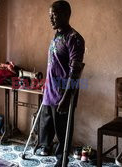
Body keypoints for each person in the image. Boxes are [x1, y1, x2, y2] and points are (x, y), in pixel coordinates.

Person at [37, 1, 85, 166]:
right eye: (49, 16)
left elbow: (75, 72)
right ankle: (47, 147)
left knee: (63, 132)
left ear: (65, 15)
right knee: (46, 127)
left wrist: (66, 97)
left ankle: (62, 160)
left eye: (54, 15)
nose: (51, 19)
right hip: (50, 91)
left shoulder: (75, 39)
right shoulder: (57, 35)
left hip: (63, 93)